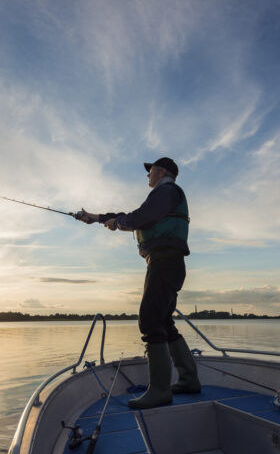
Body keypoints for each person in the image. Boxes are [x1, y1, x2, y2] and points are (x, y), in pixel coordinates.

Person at [78, 157, 201, 409]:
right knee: (164, 322)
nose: (147, 176)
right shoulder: (165, 195)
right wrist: (97, 217)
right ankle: (188, 380)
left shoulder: (167, 191)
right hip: (167, 262)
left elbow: (140, 217)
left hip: (165, 262)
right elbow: (135, 216)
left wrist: (119, 223)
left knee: (149, 320)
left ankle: (159, 391)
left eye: (151, 170)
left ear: (163, 171)